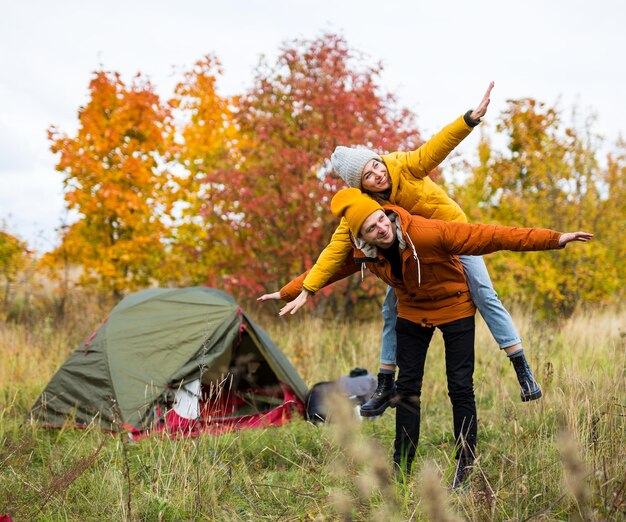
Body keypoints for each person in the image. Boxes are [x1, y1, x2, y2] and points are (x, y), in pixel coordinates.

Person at [258, 82, 545, 416]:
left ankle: (521, 366)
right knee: (390, 308)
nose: (377, 174)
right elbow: (334, 256)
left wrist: (469, 120)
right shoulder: (365, 212)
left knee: (483, 292)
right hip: (416, 255)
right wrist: (296, 290)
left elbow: (435, 148)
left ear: (380, 159)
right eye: (368, 175)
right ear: (360, 187)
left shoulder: (404, 165)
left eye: (375, 165)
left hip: (452, 236)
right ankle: (384, 384)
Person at [296, 188, 592, 484]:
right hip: (412, 313)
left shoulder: (426, 232)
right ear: (363, 237)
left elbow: (490, 236)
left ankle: (464, 468)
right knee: (407, 391)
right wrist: (291, 293)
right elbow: (327, 268)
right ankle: (401, 469)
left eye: (381, 221)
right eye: (371, 228)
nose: (381, 229)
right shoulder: (364, 254)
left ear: (385, 214)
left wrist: (554, 239)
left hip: (455, 307)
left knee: (461, 388)